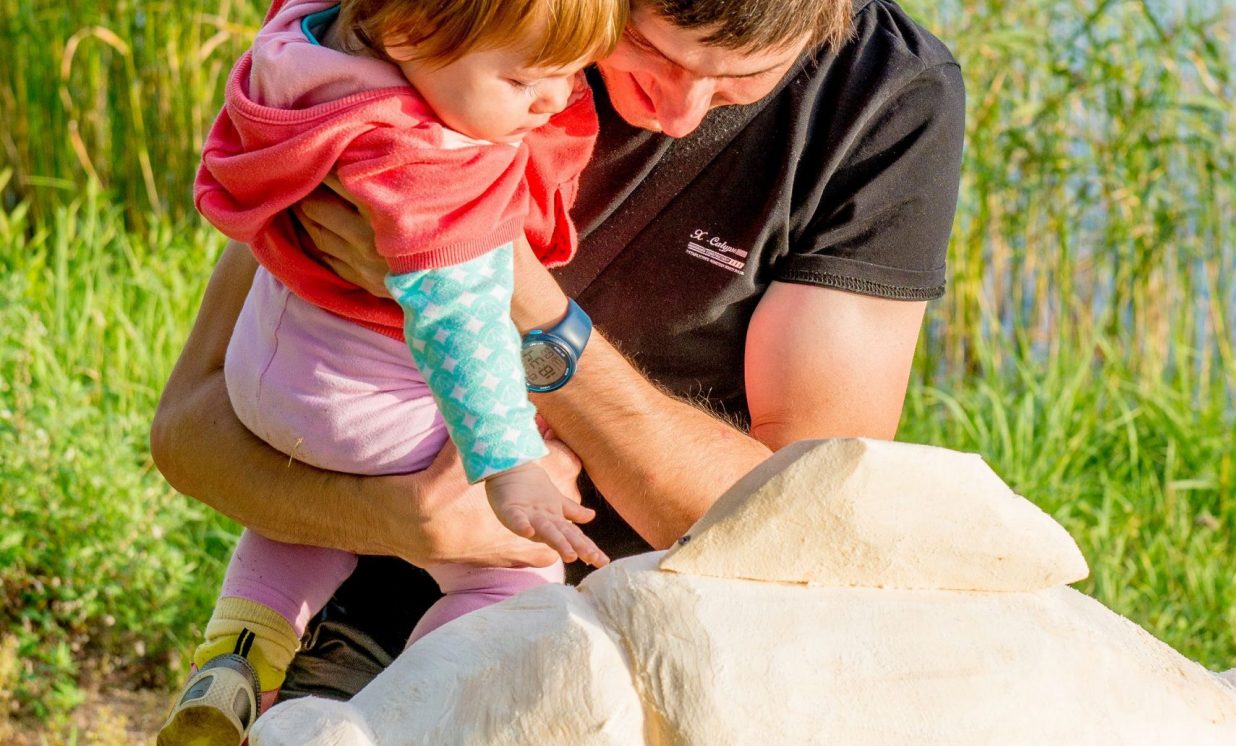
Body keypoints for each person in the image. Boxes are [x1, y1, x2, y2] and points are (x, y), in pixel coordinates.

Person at [152, 0, 965, 705]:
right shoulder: (459, 36)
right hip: (394, 582)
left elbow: (795, 535)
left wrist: (504, 287)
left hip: (681, 622)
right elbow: (188, 434)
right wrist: (399, 522)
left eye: (742, 79)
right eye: (647, 50)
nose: (680, 112)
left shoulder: (885, 96)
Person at [156, 0, 626, 742]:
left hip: (270, 373)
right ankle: (410, 707)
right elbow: (461, 319)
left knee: (302, 522)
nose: (555, 99)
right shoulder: (429, 165)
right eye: (523, 81)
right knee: (516, 572)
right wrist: (510, 464)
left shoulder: (308, 48)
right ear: (407, 34)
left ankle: (237, 653)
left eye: (572, 74)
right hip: (371, 410)